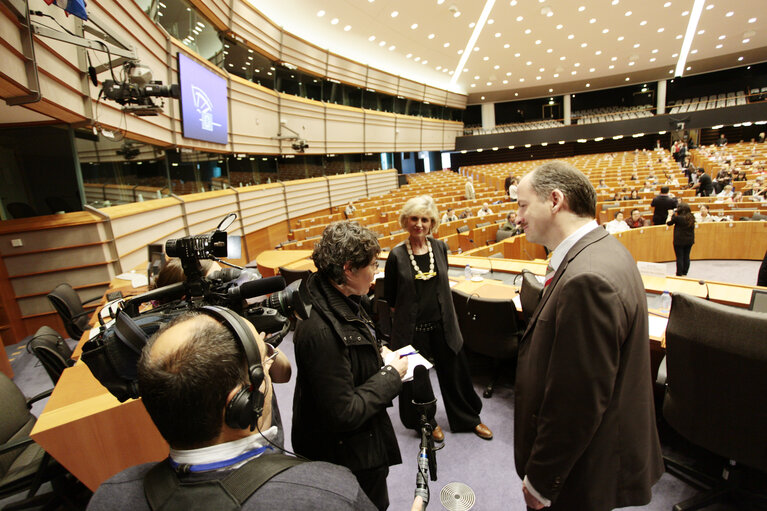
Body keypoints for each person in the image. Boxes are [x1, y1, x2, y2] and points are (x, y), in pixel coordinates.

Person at [87, 309, 378, 511]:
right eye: (263, 366)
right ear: (239, 404)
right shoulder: (329, 493)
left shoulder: (110, 496)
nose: (267, 371)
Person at [513, 161, 663, 511]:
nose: (517, 218)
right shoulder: (601, 250)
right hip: (592, 454)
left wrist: (541, 480)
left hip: (579, 468)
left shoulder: (588, 278)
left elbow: (576, 401)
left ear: (554, 200)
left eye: (522, 205)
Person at [292, 221, 407, 510]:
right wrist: (392, 374)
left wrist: (376, 349)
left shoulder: (338, 295)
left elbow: (353, 338)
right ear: (348, 269)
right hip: (347, 458)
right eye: (372, 265)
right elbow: (343, 412)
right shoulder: (320, 328)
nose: (376, 272)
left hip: (357, 446)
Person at [384, 196, 492, 443]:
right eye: (414, 218)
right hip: (412, 329)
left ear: (432, 222)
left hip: (444, 324)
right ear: (406, 221)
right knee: (418, 381)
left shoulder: (440, 248)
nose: (419, 224)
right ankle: (426, 422)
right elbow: (390, 298)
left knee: (456, 374)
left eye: (425, 219)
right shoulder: (397, 256)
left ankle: (468, 419)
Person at [667, 202, 696, 276]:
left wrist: (670, 214)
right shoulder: (691, 217)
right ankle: (685, 272)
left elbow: (668, 223)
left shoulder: (678, 218)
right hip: (689, 240)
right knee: (687, 256)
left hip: (679, 240)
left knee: (679, 257)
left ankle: (679, 273)